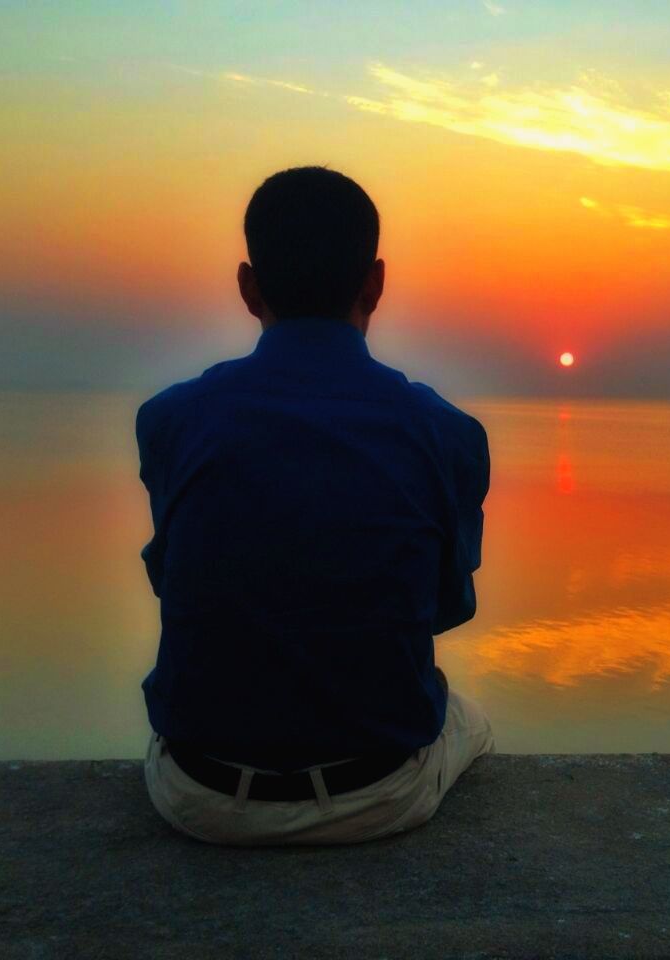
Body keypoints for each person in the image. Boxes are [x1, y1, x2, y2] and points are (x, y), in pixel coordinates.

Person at [135, 166, 495, 845]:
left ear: (248, 287)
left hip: (198, 796)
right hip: (378, 794)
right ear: (376, 283)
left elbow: (179, 581)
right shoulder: (446, 435)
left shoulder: (171, 421)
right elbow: (445, 608)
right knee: (470, 719)